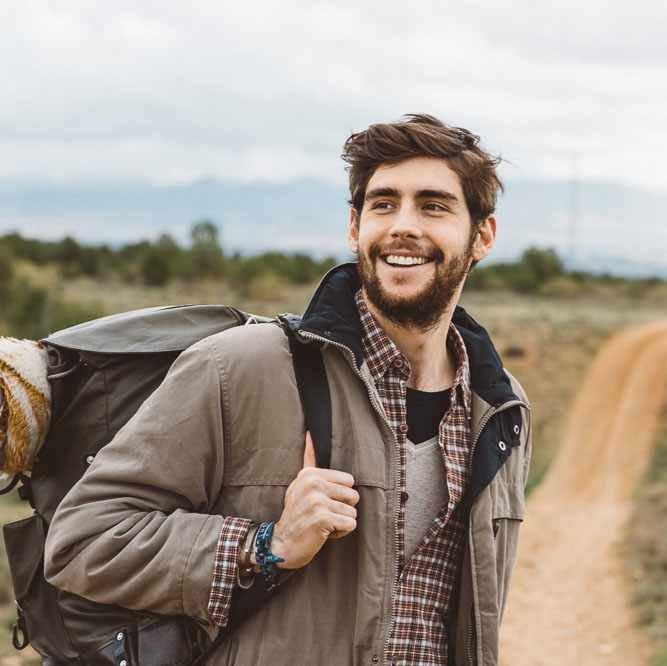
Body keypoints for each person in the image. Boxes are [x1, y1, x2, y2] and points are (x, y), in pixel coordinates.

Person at [45, 114, 532, 666]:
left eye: (434, 206)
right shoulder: (240, 367)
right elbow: (84, 539)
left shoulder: (501, 408)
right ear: (355, 226)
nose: (404, 225)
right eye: (383, 203)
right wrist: (266, 545)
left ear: (482, 236)